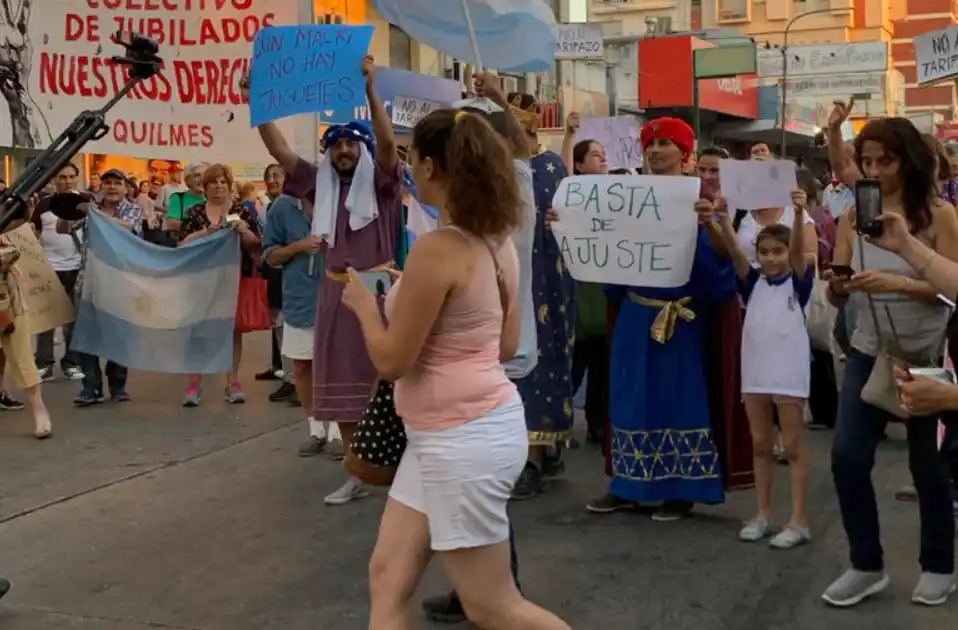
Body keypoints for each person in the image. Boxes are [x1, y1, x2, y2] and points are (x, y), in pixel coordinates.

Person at [343, 106, 572, 630]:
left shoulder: (438, 248)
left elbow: (392, 360)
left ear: (429, 166)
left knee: (492, 605)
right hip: (454, 432)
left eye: (412, 158)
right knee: (388, 576)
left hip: (459, 438)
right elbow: (505, 343)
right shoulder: (495, 243)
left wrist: (363, 306)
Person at [242, 56, 403, 504]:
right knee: (338, 386)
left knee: (393, 384)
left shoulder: (384, 184)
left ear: (364, 150)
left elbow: (389, 148)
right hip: (334, 293)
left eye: (353, 144)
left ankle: (407, 470)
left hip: (380, 293)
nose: (345, 150)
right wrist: (258, 99)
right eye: (337, 145)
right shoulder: (320, 184)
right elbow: (280, 153)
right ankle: (358, 471)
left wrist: (372, 90)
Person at [823, 109, 958, 607]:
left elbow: (951, 290)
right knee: (847, 458)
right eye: (867, 160)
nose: (875, 170)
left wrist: (898, 280)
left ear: (907, 163)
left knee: (929, 467)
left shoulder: (939, 215)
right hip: (869, 347)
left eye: (886, 160)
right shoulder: (853, 215)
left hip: (927, 352)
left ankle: (939, 565)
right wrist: (840, 287)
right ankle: (865, 564)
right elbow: (839, 283)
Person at [586, 117, 743, 520]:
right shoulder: (626, 194)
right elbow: (609, 247)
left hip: (681, 319)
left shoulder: (701, 197)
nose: (655, 150)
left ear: (684, 153)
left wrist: (709, 223)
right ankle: (628, 484)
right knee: (629, 399)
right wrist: (570, 227)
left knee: (678, 401)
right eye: (650, 143)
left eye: (665, 143)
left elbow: (723, 267)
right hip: (636, 314)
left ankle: (681, 490)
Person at [718, 188, 815, 548]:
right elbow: (732, 248)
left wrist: (801, 212)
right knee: (760, 443)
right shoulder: (751, 281)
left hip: (788, 372)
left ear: (790, 253)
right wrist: (724, 216)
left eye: (779, 252)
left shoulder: (799, 282)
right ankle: (762, 513)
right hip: (756, 370)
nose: (772, 259)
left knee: (792, 446)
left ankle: (799, 520)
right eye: (765, 252)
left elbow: (801, 251)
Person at [506, 92, 575, 499]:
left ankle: (538, 452)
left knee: (544, 359)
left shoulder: (551, 166)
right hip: (510, 275)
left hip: (548, 277)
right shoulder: (498, 170)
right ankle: (528, 452)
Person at [59, 169, 147, 406]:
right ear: (101, 187)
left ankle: (118, 385)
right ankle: (91, 386)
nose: (111, 187)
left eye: (117, 183)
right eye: (107, 183)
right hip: (88, 280)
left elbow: (127, 228)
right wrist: (65, 204)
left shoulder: (133, 210)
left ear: (126, 188)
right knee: (86, 333)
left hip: (121, 283)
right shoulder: (90, 208)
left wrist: (94, 214)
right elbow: (63, 228)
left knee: (119, 333)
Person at [178, 164, 264, 405]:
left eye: (222, 182)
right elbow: (181, 244)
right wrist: (206, 232)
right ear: (205, 188)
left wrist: (243, 230)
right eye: (213, 182)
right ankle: (194, 384)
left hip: (235, 279)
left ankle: (232, 381)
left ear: (229, 185)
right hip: (201, 281)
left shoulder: (242, 210)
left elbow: (256, 244)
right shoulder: (194, 213)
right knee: (198, 332)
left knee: (232, 331)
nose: (218, 186)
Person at [262, 192, 326, 455]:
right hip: (299, 299)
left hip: (337, 297)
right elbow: (270, 256)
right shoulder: (283, 207)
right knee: (302, 366)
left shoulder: (342, 197)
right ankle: (316, 430)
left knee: (333, 367)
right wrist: (297, 247)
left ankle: (336, 431)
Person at [562, 115, 609, 446]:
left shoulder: (618, 193)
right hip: (580, 291)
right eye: (595, 155)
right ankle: (560, 424)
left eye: (604, 155)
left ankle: (598, 424)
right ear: (578, 165)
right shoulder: (572, 194)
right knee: (572, 365)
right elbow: (560, 179)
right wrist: (568, 135)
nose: (603, 159)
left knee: (603, 369)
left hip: (606, 291)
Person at [30, 163, 85, 381]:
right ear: (54, 179)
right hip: (49, 267)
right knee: (47, 318)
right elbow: (34, 232)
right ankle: (44, 363)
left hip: (78, 266)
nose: (67, 181)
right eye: (62, 177)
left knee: (74, 318)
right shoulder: (43, 205)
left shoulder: (85, 202)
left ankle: (72, 362)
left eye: (71, 177)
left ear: (77, 178)